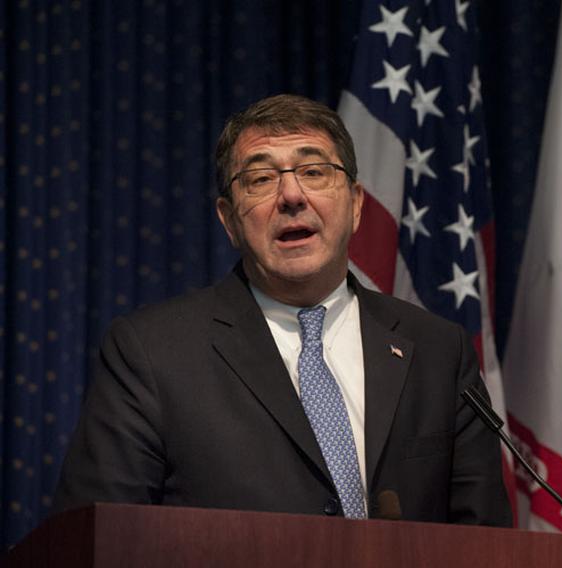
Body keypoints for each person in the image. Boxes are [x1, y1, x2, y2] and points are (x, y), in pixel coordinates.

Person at [53, 94, 512, 526]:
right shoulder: (152, 353)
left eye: (314, 172)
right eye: (260, 178)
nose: (291, 195)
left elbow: (488, 543)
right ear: (230, 219)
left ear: (354, 206)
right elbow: (96, 536)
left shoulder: (438, 351)